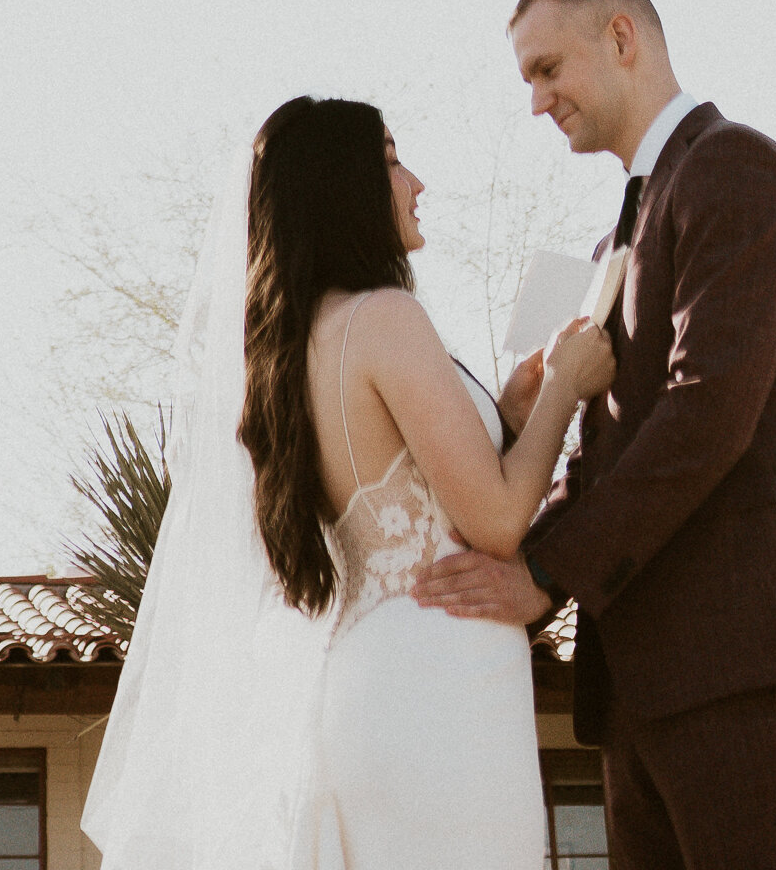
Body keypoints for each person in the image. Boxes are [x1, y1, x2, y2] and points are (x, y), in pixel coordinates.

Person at [414, 0, 776, 870]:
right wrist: (504, 567)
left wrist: (545, 571)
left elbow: (707, 414)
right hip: (640, 681)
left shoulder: (737, 170)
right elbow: (605, 456)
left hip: (744, 666)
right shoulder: (617, 234)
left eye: (548, 69)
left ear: (621, 38)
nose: (537, 101)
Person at [82, 97, 612, 870]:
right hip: (443, 677)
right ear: (344, 187)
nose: (416, 182)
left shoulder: (295, 348)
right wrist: (567, 386)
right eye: (392, 161)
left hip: (367, 672)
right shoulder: (386, 316)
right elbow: (497, 522)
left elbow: (404, 481)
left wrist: (509, 412)